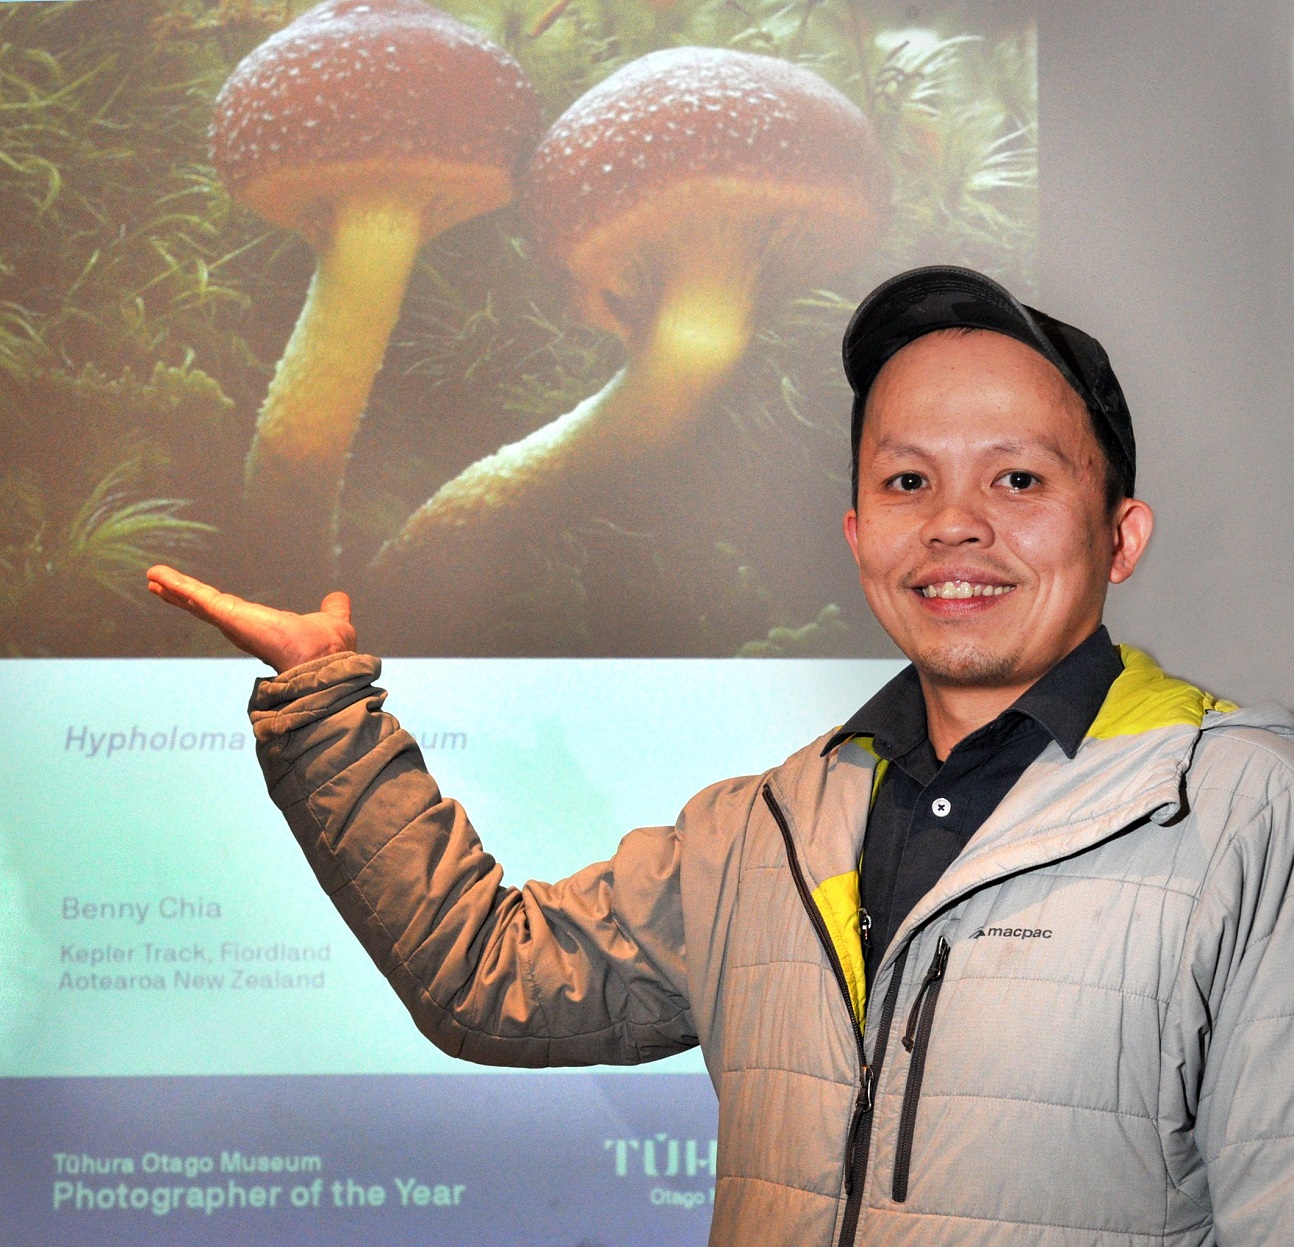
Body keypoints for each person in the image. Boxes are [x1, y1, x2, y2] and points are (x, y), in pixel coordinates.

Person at [147, 266, 1294, 1246]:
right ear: (858, 536)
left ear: (1120, 534)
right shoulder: (767, 826)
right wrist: (323, 712)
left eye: (1019, 478)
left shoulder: (1241, 811)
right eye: (907, 480)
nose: (954, 522)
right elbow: (492, 978)